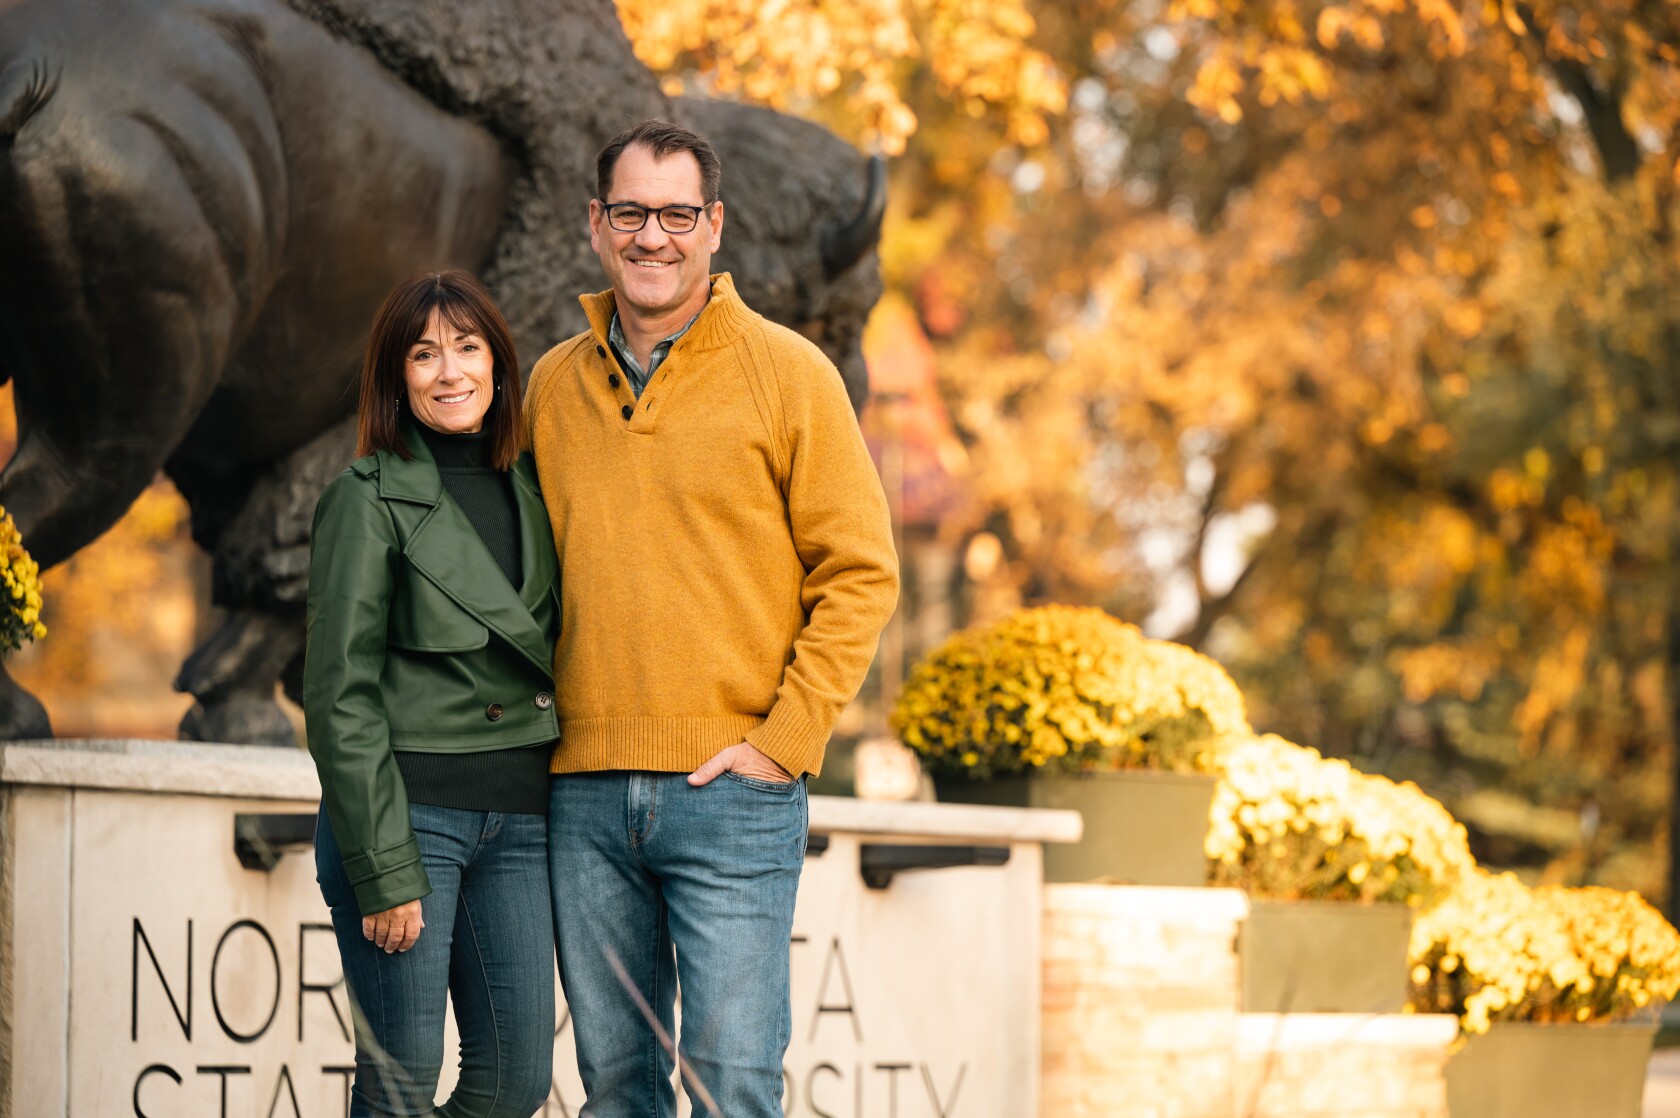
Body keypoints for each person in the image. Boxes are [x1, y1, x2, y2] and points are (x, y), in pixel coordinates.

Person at [524, 119, 900, 1116]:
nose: (656, 236)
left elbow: (860, 572)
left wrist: (784, 741)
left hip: (734, 794)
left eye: (678, 213)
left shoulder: (790, 373)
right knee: (617, 1089)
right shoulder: (551, 387)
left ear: (715, 224)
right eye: (633, 213)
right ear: (595, 225)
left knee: (732, 1084)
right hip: (585, 798)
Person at [304, 270, 560, 1118]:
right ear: (395, 377)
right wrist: (382, 864)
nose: (450, 371)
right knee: (400, 1088)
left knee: (515, 1082)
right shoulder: (365, 499)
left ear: (498, 361)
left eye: (467, 346)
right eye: (424, 353)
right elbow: (340, 694)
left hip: (521, 822)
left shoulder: (540, 487)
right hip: (410, 817)